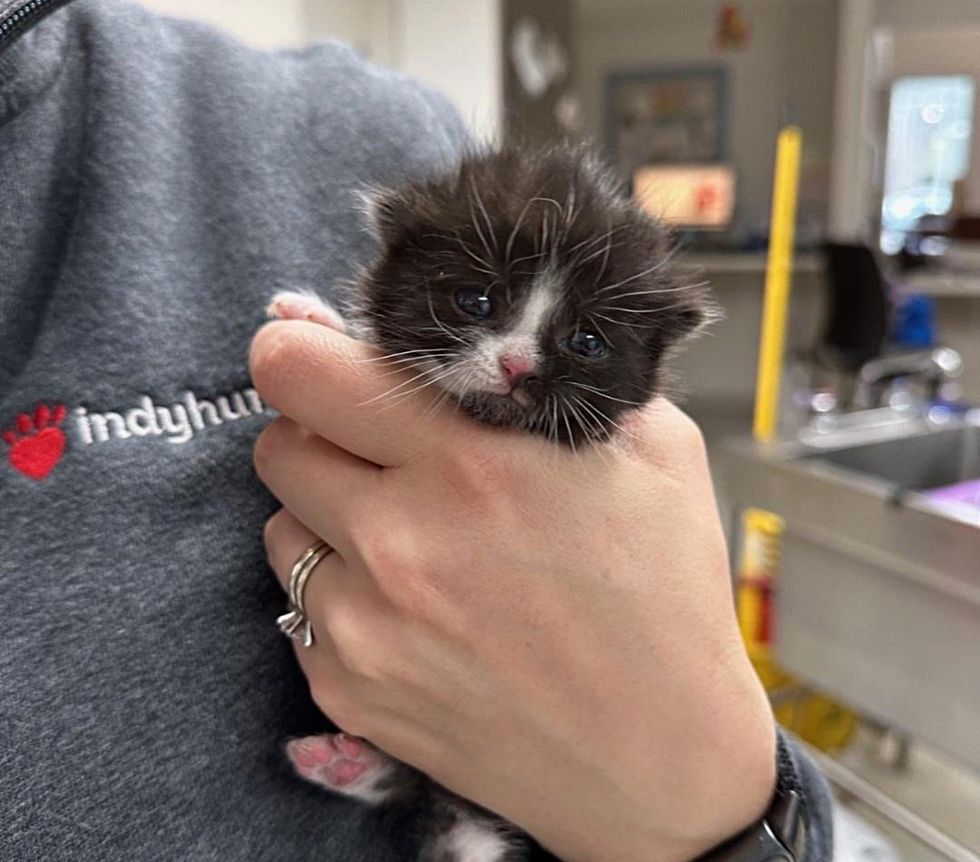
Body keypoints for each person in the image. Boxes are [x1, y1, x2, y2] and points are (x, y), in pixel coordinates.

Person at [0, 1, 833, 860]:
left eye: (583, 343)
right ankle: (420, 796)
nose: (518, 364)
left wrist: (708, 801)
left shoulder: (374, 121)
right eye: (477, 305)